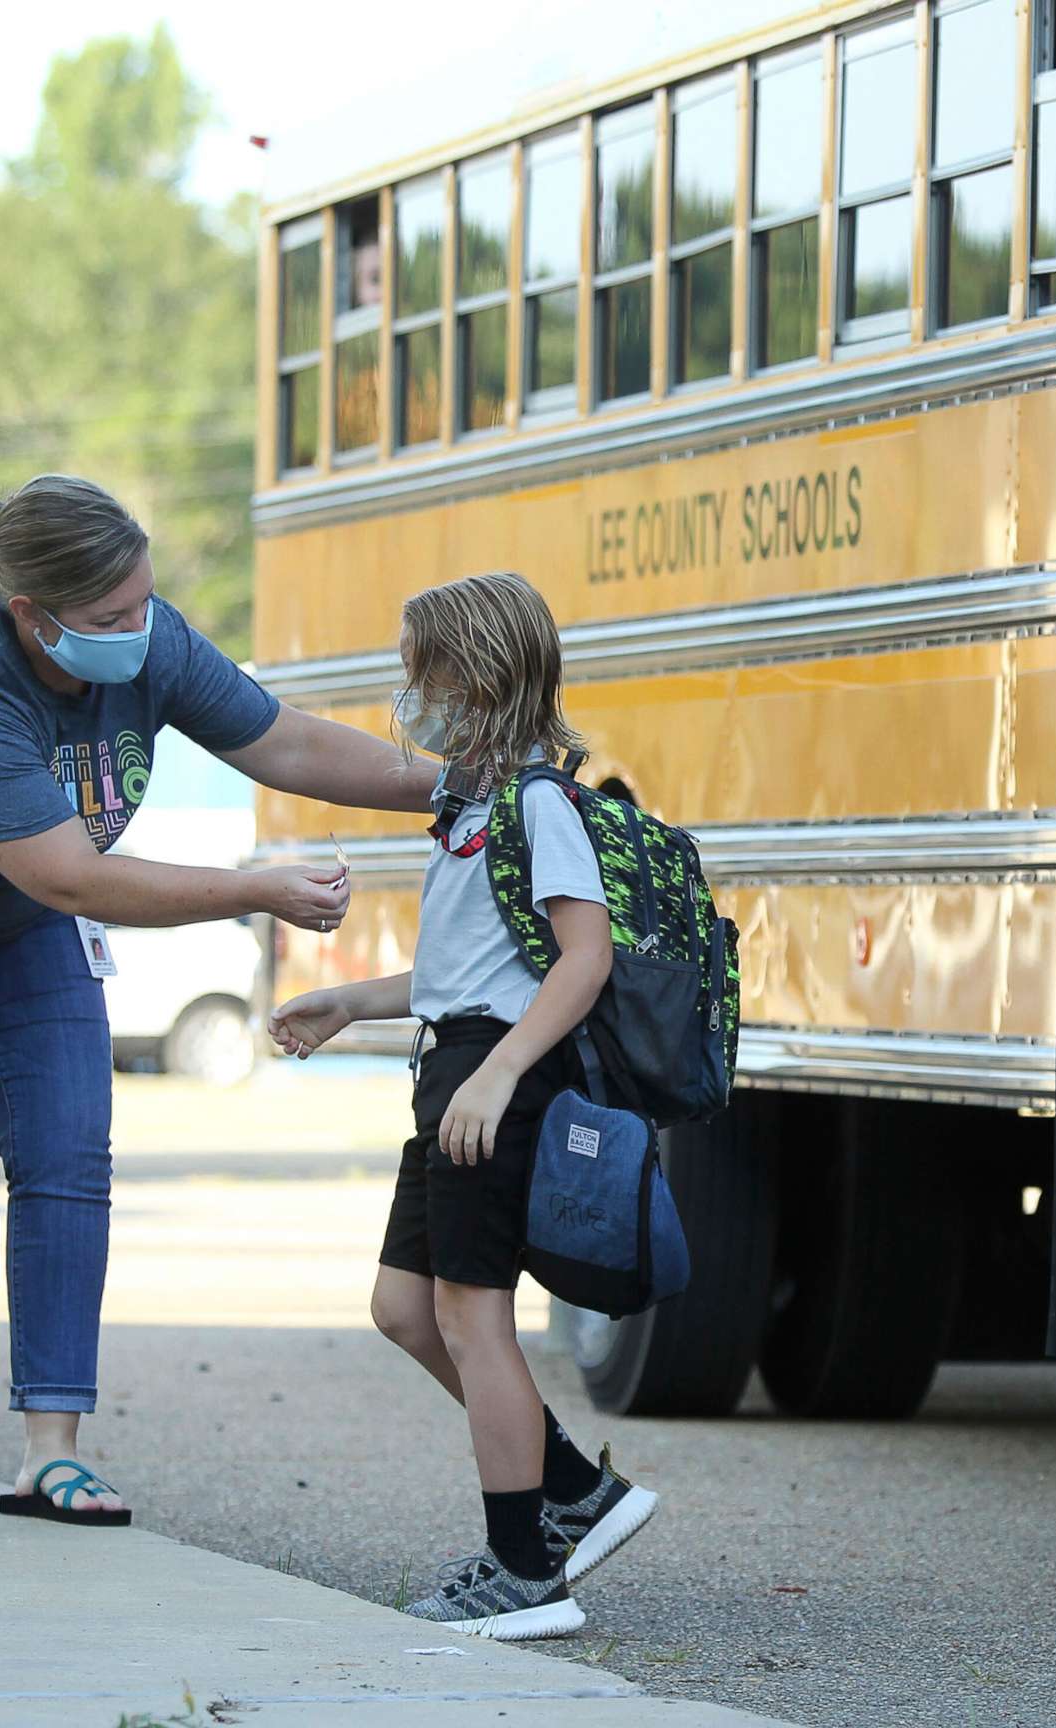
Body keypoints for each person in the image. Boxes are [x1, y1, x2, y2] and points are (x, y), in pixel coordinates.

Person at [0, 473, 441, 1520]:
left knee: (70, 1158)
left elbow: (288, 743)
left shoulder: (150, 638)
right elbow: (68, 875)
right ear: (29, 613)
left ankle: (51, 1451)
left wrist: (453, 783)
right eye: (108, 619)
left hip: (14, 927)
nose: (138, 633)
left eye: (144, 604)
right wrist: (253, 891)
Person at [267, 571, 658, 1641]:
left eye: (420, 673)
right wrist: (353, 999)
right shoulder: (471, 806)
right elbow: (462, 968)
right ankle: (575, 1489)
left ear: (478, 679)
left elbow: (583, 961)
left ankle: (526, 1571)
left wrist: (497, 1074)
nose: (409, 698)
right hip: (454, 1071)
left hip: (498, 1080)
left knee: (471, 1315)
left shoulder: (541, 804)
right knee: (405, 1308)